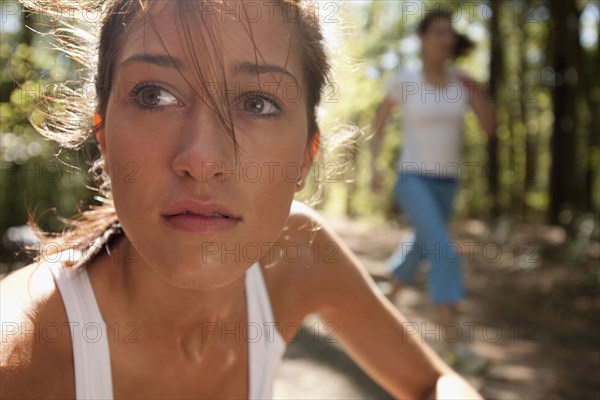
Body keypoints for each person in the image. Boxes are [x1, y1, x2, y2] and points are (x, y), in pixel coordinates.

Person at [1, 1, 483, 398]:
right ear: (102, 135)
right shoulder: (18, 355)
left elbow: (433, 382)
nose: (202, 159)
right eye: (154, 95)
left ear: (304, 157)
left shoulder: (296, 252)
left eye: (258, 103)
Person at [370, 10, 495, 372]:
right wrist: (375, 167)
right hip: (412, 178)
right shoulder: (404, 81)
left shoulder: (462, 83)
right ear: (422, 38)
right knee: (442, 250)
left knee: (422, 246)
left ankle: (383, 298)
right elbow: (379, 126)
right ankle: (454, 348)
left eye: (449, 33)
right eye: (437, 32)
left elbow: (489, 128)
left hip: (447, 183)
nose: (445, 38)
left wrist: (479, 93)